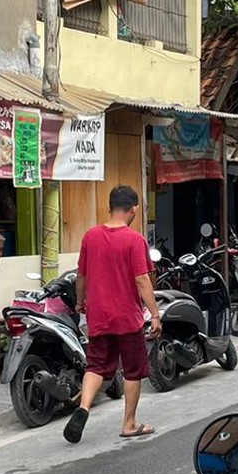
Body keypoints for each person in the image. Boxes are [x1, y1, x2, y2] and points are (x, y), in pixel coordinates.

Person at [64, 185, 162, 444]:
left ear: (109, 207)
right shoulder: (134, 239)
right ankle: (129, 423)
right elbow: (142, 280)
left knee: (96, 365)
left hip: (99, 315)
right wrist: (155, 314)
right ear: (134, 209)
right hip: (127, 318)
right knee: (132, 370)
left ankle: (84, 407)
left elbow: (81, 275)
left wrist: (80, 302)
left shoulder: (91, 236)